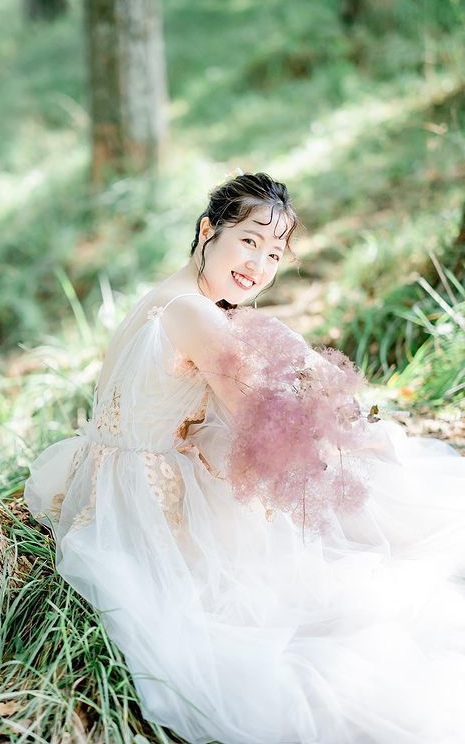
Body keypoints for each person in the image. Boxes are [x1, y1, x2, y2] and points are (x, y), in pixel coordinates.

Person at [24, 172, 465, 744]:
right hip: (154, 503)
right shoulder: (196, 314)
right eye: (249, 241)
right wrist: (342, 433)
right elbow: (262, 424)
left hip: (107, 474)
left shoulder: (165, 297)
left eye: (274, 254)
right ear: (209, 230)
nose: (258, 265)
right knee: (352, 498)